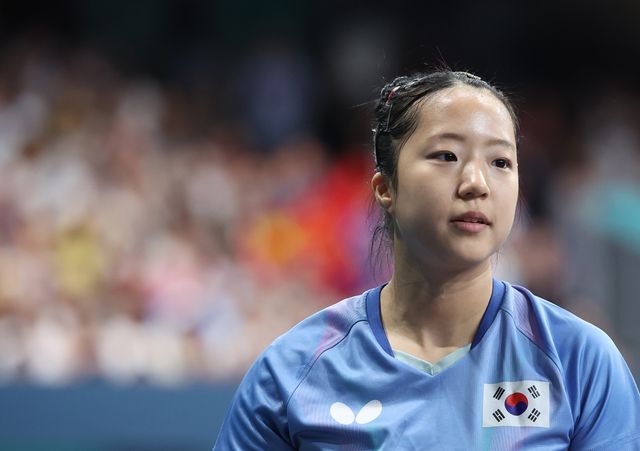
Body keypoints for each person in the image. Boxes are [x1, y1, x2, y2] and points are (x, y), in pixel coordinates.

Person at [213, 70, 640, 450]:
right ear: (386, 188)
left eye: (500, 162)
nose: (476, 183)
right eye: (446, 156)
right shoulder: (294, 371)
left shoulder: (578, 360)